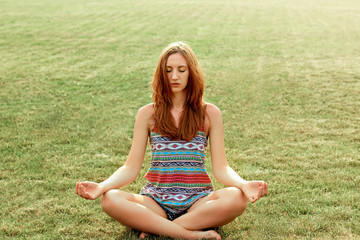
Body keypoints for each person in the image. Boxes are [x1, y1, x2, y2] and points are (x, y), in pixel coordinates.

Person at [75, 42, 268, 240]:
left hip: (198, 203)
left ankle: (156, 228)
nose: (174, 76)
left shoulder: (210, 114)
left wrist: (244, 184)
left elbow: (221, 168)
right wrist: (101, 186)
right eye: (168, 71)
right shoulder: (147, 114)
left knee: (237, 197)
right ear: (162, 74)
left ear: (191, 72)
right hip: (156, 202)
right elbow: (130, 168)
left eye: (181, 70)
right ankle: (191, 235)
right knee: (110, 199)